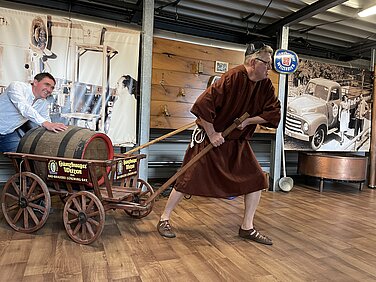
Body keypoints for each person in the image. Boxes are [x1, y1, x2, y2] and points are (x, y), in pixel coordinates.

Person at [156, 42, 281, 245]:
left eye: (270, 65)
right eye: (266, 64)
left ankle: (247, 227)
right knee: (186, 179)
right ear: (252, 62)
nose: (269, 69)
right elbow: (202, 105)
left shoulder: (265, 85)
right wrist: (212, 133)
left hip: (236, 142)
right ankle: (164, 218)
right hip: (209, 139)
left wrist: (248, 121)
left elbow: (273, 113)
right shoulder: (232, 77)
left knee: (257, 178)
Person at [0, 72, 68, 152]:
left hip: (8, 133)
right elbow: (24, 108)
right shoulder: (17, 86)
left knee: (22, 158)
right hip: (6, 132)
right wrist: (46, 124)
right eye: (46, 84)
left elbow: (47, 121)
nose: (49, 90)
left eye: (52, 88)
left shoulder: (43, 103)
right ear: (35, 82)